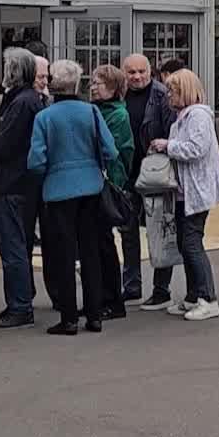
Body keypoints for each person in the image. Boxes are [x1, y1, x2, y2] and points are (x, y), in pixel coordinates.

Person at [27, 60, 118, 335]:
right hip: (90, 188)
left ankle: (68, 318)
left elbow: (36, 161)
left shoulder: (45, 117)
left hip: (58, 191)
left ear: (53, 84)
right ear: (77, 83)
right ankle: (94, 315)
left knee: (63, 254)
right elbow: (111, 150)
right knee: (90, 251)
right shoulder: (91, 111)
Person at [0, 47, 47, 329]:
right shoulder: (23, 99)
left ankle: (20, 305)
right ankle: (20, 301)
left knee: (13, 245)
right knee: (17, 245)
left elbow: (3, 143)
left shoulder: (21, 102)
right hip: (17, 182)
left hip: (12, 183)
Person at [148, 69, 219, 320]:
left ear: (186, 91)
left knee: (191, 244)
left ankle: (208, 298)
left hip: (196, 190)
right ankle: (194, 296)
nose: (169, 95)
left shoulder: (198, 115)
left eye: (173, 90)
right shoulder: (183, 116)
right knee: (185, 243)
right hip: (185, 192)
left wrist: (167, 145)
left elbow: (196, 149)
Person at [119, 55, 170, 305]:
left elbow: (170, 131)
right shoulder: (118, 94)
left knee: (158, 231)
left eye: (142, 71)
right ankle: (131, 286)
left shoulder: (162, 95)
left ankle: (161, 289)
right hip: (128, 174)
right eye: (131, 72)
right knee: (127, 232)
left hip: (155, 173)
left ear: (150, 71)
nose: (137, 77)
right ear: (124, 73)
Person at [89, 64, 135, 317]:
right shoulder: (95, 110)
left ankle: (112, 299)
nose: (93, 87)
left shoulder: (118, 115)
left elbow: (119, 153)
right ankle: (99, 297)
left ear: (113, 87)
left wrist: (113, 184)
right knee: (95, 244)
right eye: (93, 82)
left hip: (105, 186)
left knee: (104, 244)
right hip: (96, 183)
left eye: (99, 83)